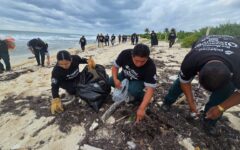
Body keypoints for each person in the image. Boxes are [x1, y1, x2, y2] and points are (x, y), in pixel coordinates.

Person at [161, 35, 240, 136]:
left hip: (233, 50)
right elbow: (185, 82)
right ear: (197, 73)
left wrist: (221, 108)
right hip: (203, 48)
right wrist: (191, 104)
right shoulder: (190, 61)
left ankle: (209, 121)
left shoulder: (238, 68)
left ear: (231, 75)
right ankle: (167, 101)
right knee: (181, 81)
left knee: (227, 89)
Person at [109, 44, 157, 122]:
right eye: (136, 60)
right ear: (132, 55)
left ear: (147, 58)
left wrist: (142, 108)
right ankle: (124, 90)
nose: (139, 64)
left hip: (138, 80)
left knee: (134, 91)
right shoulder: (125, 54)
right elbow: (115, 67)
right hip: (124, 75)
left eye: (142, 61)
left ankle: (142, 97)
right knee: (110, 81)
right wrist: (115, 79)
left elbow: (151, 89)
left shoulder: (150, 67)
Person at [50, 50, 95, 114]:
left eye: (66, 63)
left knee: (91, 72)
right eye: (61, 64)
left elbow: (82, 60)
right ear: (58, 62)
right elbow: (54, 86)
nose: (64, 66)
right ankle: (71, 90)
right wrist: (56, 98)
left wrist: (89, 61)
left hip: (77, 77)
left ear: (71, 59)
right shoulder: (56, 71)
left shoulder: (75, 58)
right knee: (74, 90)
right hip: (66, 83)